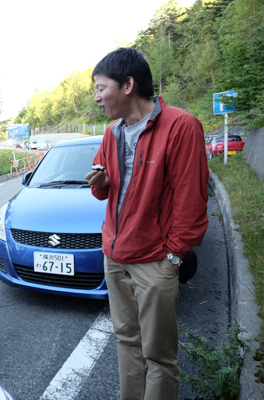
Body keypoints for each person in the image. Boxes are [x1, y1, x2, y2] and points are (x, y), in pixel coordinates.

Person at [85, 48, 209, 399]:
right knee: (127, 341)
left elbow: (192, 200)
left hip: (155, 259)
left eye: (100, 88)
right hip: (115, 255)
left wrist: (174, 257)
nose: (96, 98)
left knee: (159, 355)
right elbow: (105, 187)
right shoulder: (112, 133)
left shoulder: (181, 126)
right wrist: (102, 182)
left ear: (127, 85)